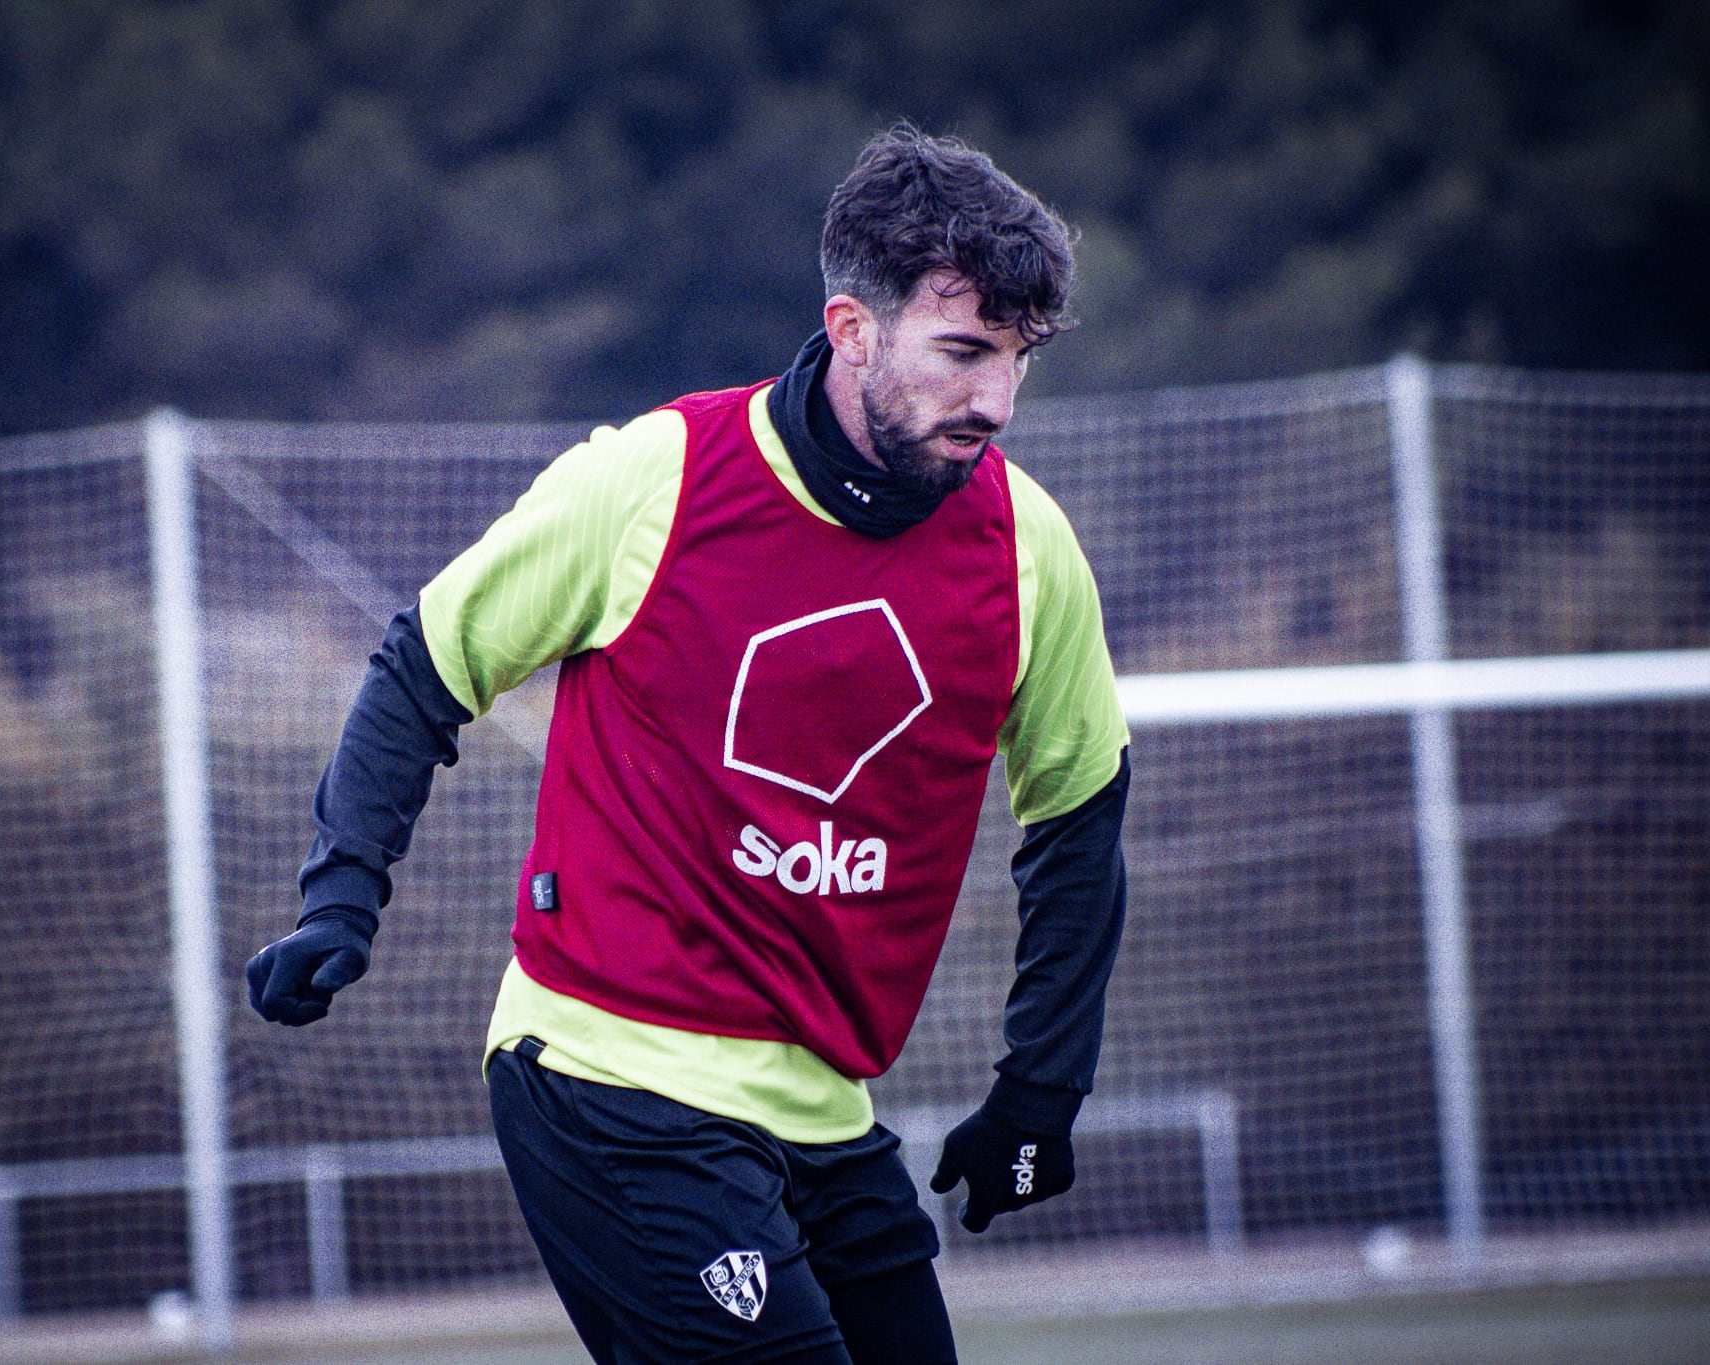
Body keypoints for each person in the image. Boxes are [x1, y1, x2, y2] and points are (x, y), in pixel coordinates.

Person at [247, 123, 1131, 1365]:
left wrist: (1042, 1088)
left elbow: (1078, 821)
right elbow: (424, 664)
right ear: (851, 330)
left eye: (1016, 359)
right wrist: (340, 901)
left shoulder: (1026, 551)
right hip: (605, 1073)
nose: (992, 398)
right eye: (962, 351)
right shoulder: (652, 479)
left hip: (822, 1108)